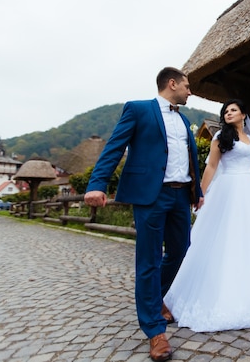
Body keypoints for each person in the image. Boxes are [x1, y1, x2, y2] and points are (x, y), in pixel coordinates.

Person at [84, 67, 204, 362]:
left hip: (180, 195)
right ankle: (154, 330)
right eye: (187, 86)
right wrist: (97, 184)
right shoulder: (138, 110)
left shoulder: (184, 120)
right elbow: (114, 147)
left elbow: (190, 158)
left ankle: (155, 298)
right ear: (172, 83)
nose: (190, 91)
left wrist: (197, 191)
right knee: (148, 260)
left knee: (180, 251)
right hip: (151, 196)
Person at [163, 99, 250, 333]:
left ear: (243, 114)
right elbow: (211, 167)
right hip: (229, 188)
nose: (229, 113)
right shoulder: (221, 137)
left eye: (233, 110)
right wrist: (199, 193)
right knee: (227, 237)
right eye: (226, 111)